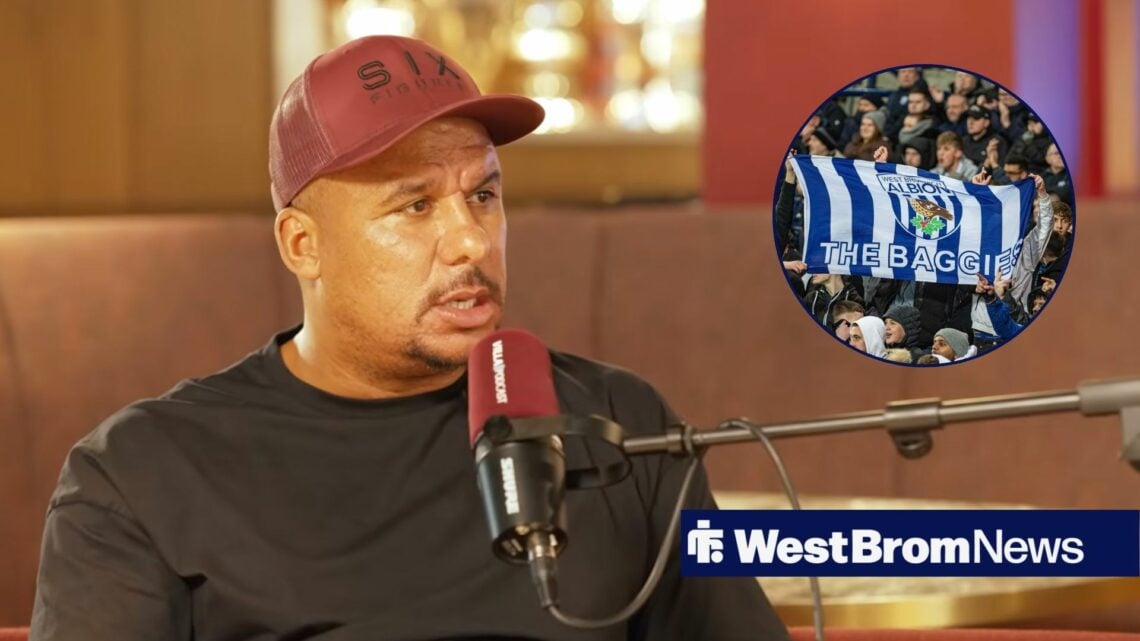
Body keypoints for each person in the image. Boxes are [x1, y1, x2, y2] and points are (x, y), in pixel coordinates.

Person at [30, 36, 788, 641]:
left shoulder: (619, 421)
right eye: (415, 206)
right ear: (303, 245)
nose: (470, 241)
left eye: (483, 195)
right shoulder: (140, 475)